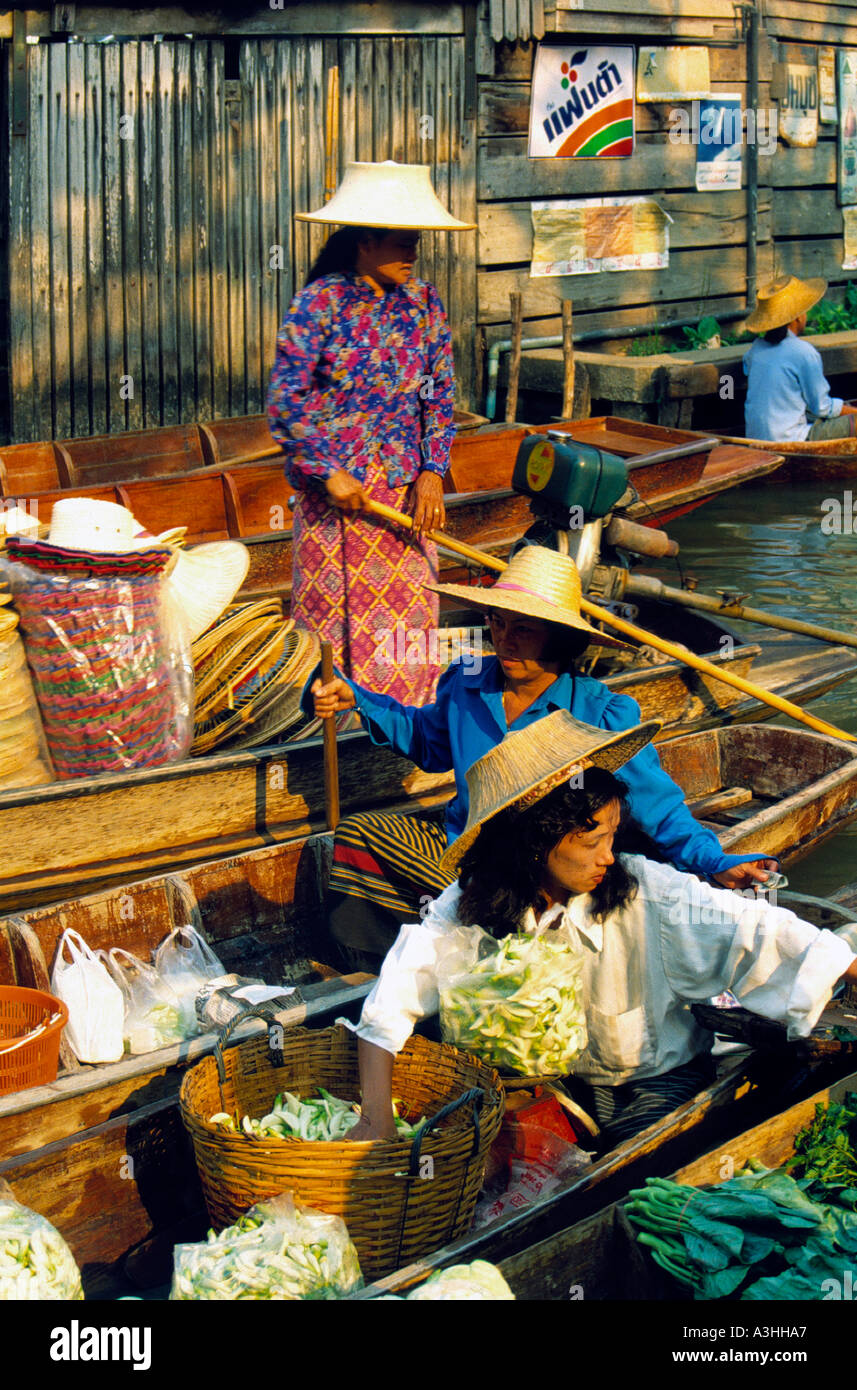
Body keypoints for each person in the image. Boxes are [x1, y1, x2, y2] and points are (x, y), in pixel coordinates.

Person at [346, 711, 857, 1146]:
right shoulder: (475, 900)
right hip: (545, 1084)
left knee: (633, 1155)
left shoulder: (645, 889)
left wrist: (847, 970)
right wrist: (374, 1118)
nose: (607, 857)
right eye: (590, 843)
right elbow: (396, 995)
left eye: (612, 837)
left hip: (658, 1079)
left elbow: (759, 928)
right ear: (535, 843)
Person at [309, 545, 776, 967]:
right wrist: (359, 700)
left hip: (546, 874)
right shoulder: (466, 684)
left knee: (500, 899)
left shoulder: (598, 713)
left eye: (524, 630)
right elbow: (429, 744)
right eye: (497, 623)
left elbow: (659, 808)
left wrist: (713, 861)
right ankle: (375, 968)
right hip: (468, 854)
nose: (504, 641)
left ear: (557, 637)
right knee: (357, 834)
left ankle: (482, 936)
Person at [266, 160, 475, 704]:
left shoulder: (425, 304)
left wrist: (432, 474)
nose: (411, 255)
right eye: (400, 242)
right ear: (364, 241)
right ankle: (336, 745)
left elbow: (439, 396)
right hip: (336, 508)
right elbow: (286, 402)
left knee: (406, 641)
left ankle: (405, 740)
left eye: (416, 243)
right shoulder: (319, 304)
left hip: (402, 506)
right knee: (332, 641)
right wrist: (327, 471)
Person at [743, 274, 857, 442]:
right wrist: (853, 412)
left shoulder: (756, 350)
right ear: (797, 317)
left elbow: (747, 370)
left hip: (756, 437)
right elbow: (822, 407)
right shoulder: (804, 352)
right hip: (792, 439)